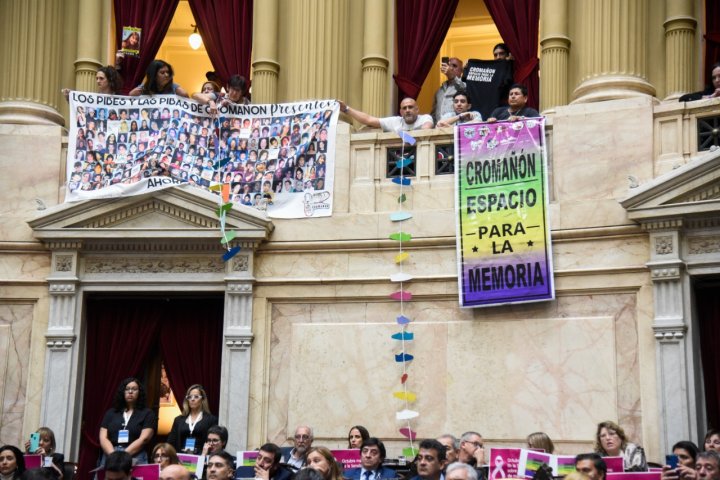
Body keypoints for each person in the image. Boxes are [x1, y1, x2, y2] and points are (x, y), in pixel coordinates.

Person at [99, 377, 157, 465]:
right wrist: (113, 455)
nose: (130, 392)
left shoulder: (148, 413)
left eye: (134, 389)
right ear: (123, 392)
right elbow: (103, 437)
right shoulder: (111, 412)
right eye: (127, 389)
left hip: (135, 455)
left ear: (139, 392)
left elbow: (144, 439)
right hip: (110, 454)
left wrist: (123, 456)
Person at [167, 384, 218, 454]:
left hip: (201, 457)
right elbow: (170, 442)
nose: (192, 399)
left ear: (202, 399)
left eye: (196, 397)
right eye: (189, 397)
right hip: (180, 458)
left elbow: (213, 443)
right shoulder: (178, 420)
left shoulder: (211, 420)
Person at [338, 98, 433, 132]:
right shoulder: (395, 121)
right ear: (401, 112)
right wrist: (346, 109)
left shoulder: (425, 118)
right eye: (404, 108)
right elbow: (369, 119)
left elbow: (426, 131)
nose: (407, 110)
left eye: (410, 107)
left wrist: (405, 137)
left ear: (417, 110)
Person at [432, 57, 466, 123]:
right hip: (439, 128)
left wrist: (452, 76)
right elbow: (434, 113)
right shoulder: (439, 91)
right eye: (449, 65)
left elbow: (463, 88)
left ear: (462, 70)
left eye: (454, 66)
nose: (451, 68)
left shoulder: (465, 85)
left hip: (455, 127)